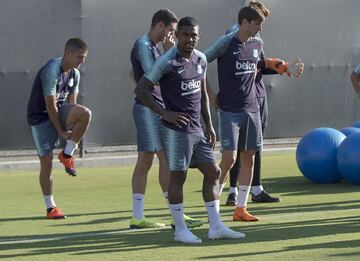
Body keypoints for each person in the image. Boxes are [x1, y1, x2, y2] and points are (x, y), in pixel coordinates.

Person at [135, 16, 245, 244]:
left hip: (198, 129)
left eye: (193, 35)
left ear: (199, 36)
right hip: (176, 131)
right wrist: (163, 113)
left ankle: (215, 226)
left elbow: (202, 94)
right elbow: (141, 89)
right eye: (184, 34)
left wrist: (210, 124)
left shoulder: (201, 59)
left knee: (213, 172)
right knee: (178, 176)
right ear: (177, 36)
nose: (189, 39)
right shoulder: (167, 61)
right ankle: (180, 229)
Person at [204, 2, 295, 221]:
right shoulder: (226, 42)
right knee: (228, 159)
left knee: (249, 158)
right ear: (243, 23)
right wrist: (211, 95)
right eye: (256, 24)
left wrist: (285, 68)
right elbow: (199, 63)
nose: (259, 29)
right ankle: (213, 206)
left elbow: (259, 66)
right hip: (229, 110)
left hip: (252, 109)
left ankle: (240, 209)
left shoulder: (257, 43)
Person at [130, 9, 204, 229]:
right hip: (148, 109)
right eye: (171, 30)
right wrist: (169, 52)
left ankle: (172, 212)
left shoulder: (152, 46)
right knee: (152, 159)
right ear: (160, 26)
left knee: (160, 159)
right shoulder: (144, 45)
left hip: (155, 109)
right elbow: (152, 74)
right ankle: (143, 216)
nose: (172, 36)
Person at [27, 38, 91, 219]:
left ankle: (67, 153)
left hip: (58, 111)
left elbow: (72, 105)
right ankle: (50, 207)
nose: (82, 61)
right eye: (80, 57)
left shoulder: (75, 74)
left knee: (85, 113)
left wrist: (71, 133)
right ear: (68, 54)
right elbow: (50, 107)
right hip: (40, 117)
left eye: (84, 57)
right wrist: (62, 131)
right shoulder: (51, 71)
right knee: (46, 164)